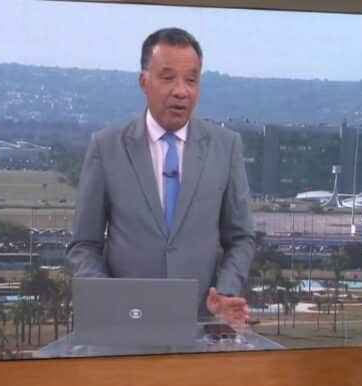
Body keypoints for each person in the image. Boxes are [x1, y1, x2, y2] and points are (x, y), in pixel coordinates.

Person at [66, 28, 254, 325]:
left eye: (191, 80)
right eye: (168, 78)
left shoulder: (226, 146)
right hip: (125, 325)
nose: (181, 90)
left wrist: (226, 292)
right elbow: (84, 245)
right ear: (144, 82)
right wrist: (106, 297)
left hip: (201, 326)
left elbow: (241, 238)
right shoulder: (106, 146)